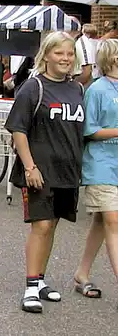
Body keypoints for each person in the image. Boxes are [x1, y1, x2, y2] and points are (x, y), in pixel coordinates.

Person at [5, 31, 85, 314]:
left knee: (52, 226)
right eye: (59, 53)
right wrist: (30, 166)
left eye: (70, 53)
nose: (65, 58)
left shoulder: (77, 89)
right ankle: (29, 288)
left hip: (67, 171)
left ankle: (39, 280)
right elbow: (18, 129)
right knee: (40, 226)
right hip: (39, 170)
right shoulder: (33, 87)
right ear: (46, 55)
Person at [72, 39, 118, 300]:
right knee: (113, 219)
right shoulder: (97, 90)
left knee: (102, 220)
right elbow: (89, 130)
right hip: (100, 162)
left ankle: (82, 272)